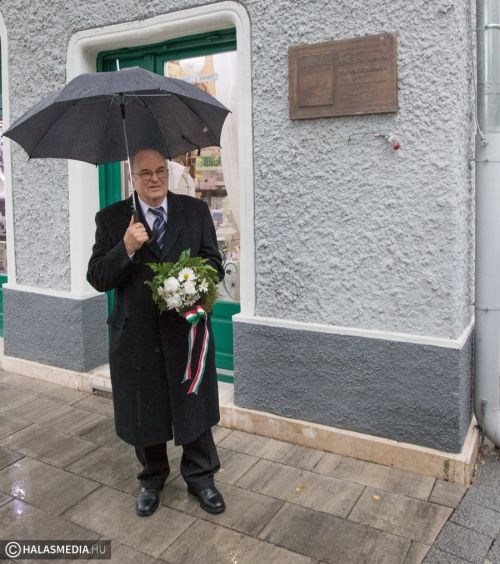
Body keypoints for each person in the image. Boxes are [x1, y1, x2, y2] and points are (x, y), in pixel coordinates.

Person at [87, 148, 226, 517]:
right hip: (138, 335)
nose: (154, 179)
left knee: (193, 403)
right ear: (132, 178)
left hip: (185, 332)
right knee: (144, 408)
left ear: (169, 171)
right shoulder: (112, 219)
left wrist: (193, 282)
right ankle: (151, 478)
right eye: (145, 173)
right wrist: (126, 247)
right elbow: (98, 276)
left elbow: (214, 261)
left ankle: (201, 477)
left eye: (160, 171)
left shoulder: (194, 212)